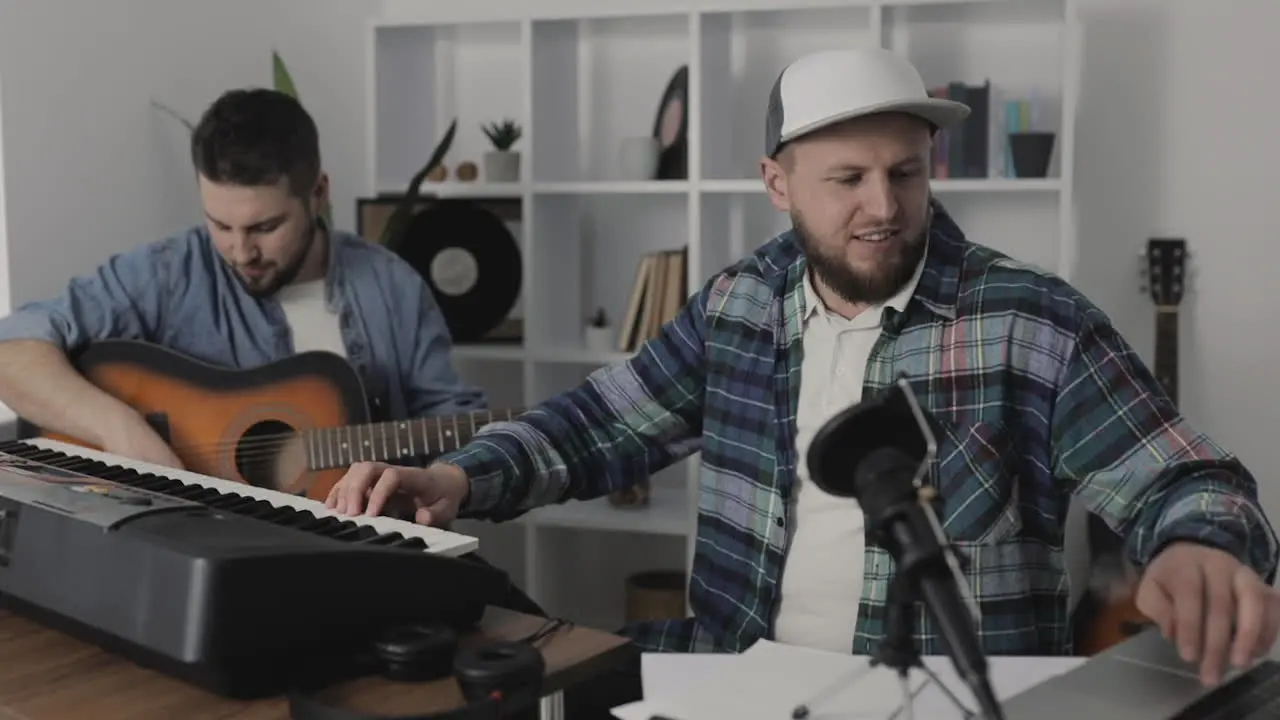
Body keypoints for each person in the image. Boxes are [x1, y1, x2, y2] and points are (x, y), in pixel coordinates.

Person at [326, 47, 1280, 716]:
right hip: (735, 683)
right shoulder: (738, 305)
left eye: (905, 173)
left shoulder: (1032, 321)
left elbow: (1185, 477)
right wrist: (457, 477)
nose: (884, 207)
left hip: (955, 694)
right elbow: (596, 425)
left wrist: (1205, 546)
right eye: (847, 178)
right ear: (777, 184)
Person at [0, 88, 485, 480]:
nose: (239, 251)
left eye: (264, 228)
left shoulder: (393, 286)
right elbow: (13, 350)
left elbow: (458, 429)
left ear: (318, 193)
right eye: (220, 224)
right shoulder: (172, 272)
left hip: (364, 560)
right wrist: (118, 428)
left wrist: (446, 478)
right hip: (209, 559)